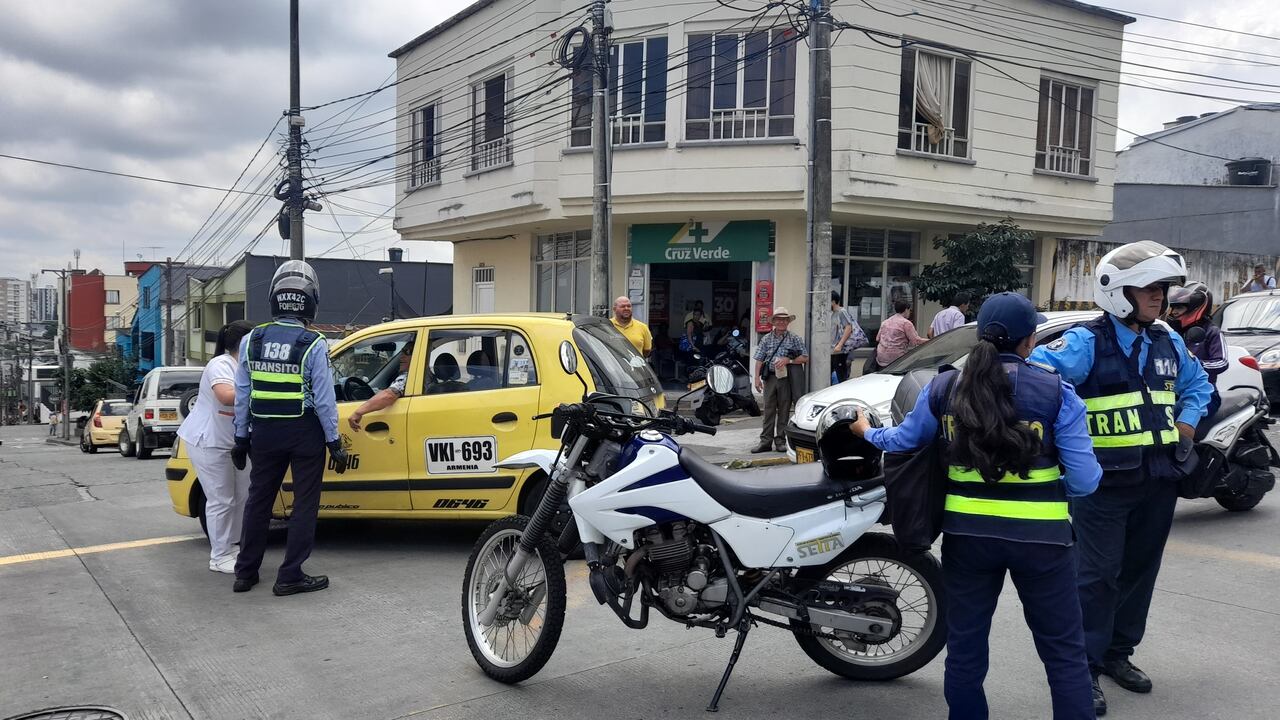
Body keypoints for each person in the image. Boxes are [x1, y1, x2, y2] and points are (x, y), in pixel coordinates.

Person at [851, 292, 1101, 719]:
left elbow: (905, 441)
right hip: (1043, 544)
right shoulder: (1057, 393)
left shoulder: (944, 388)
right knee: (1064, 654)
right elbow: (1085, 480)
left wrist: (865, 431)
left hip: (968, 541)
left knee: (965, 649)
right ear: (1029, 341)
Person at [1029, 240, 1212, 716]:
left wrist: (1188, 421)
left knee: (1138, 574)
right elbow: (1033, 380)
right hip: (1101, 488)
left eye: (1163, 288)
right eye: (1149, 288)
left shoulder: (1167, 339)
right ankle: (1082, 669)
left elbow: (1198, 385)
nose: (1160, 297)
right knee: (1094, 578)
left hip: (1159, 479)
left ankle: (1117, 654)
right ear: (1118, 291)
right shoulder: (1086, 342)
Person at [232, 260, 348, 597]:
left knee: (259, 501)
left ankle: (245, 573)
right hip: (303, 432)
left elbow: (243, 394)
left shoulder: (252, 339)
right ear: (311, 300)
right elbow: (325, 401)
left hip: (263, 432)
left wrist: (241, 438)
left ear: (274, 297)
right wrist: (334, 441)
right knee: (305, 503)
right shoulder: (313, 343)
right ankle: (290, 575)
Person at [178, 320, 255, 574]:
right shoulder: (221, 364)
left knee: (241, 496)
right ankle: (219, 555)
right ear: (243, 343)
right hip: (208, 442)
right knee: (221, 499)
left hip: (235, 443)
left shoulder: (248, 367)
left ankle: (232, 546)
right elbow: (225, 395)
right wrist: (261, 389)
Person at [751, 307, 808, 453]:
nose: (782, 322)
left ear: (788, 322)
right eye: (779, 319)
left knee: (783, 410)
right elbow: (759, 359)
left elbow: (805, 358)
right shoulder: (766, 338)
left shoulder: (794, 338)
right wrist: (756, 378)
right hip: (770, 377)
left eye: (784, 319)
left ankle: (781, 441)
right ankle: (765, 442)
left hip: (785, 378)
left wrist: (788, 360)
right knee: (768, 410)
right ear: (774, 321)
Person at [1168, 282, 1226, 421]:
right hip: (1174, 392)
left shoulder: (1211, 332)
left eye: (1179, 307)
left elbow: (1222, 362)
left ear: (1196, 307)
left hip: (1205, 393)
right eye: (1173, 307)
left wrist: (1193, 365)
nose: (1173, 312)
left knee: (1170, 417)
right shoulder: (1171, 332)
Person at [348, 340, 414, 431]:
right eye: (402, 352)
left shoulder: (410, 376)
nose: (402, 356)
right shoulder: (419, 376)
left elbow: (388, 396)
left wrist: (358, 413)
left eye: (408, 352)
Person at [875, 300, 927, 368]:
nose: (910, 312)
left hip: (881, 358)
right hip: (897, 360)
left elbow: (877, 338)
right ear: (906, 310)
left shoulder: (885, 322)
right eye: (909, 310)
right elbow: (916, 341)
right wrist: (934, 340)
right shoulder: (906, 323)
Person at [830, 291, 861, 383]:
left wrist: (840, 344)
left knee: (841, 377)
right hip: (832, 350)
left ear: (833, 301)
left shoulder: (841, 312)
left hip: (840, 350)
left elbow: (848, 327)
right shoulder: (832, 313)